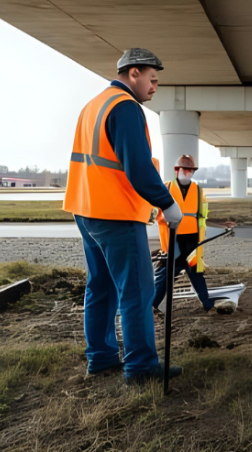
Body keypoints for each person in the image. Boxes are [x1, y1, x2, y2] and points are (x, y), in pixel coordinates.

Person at [63, 48, 184, 385]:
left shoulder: (93, 105)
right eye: (152, 78)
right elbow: (138, 168)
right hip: (115, 213)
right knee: (136, 292)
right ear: (134, 73)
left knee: (101, 286)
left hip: (86, 210)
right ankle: (141, 367)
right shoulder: (126, 107)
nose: (155, 86)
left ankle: (100, 358)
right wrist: (167, 202)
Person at [153, 155, 234, 313]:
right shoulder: (166, 188)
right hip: (173, 240)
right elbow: (155, 213)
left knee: (196, 273)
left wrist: (220, 224)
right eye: (186, 169)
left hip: (192, 240)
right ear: (177, 170)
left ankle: (207, 304)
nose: (189, 173)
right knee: (166, 275)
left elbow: (201, 217)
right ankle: (152, 306)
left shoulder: (198, 191)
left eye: (191, 170)